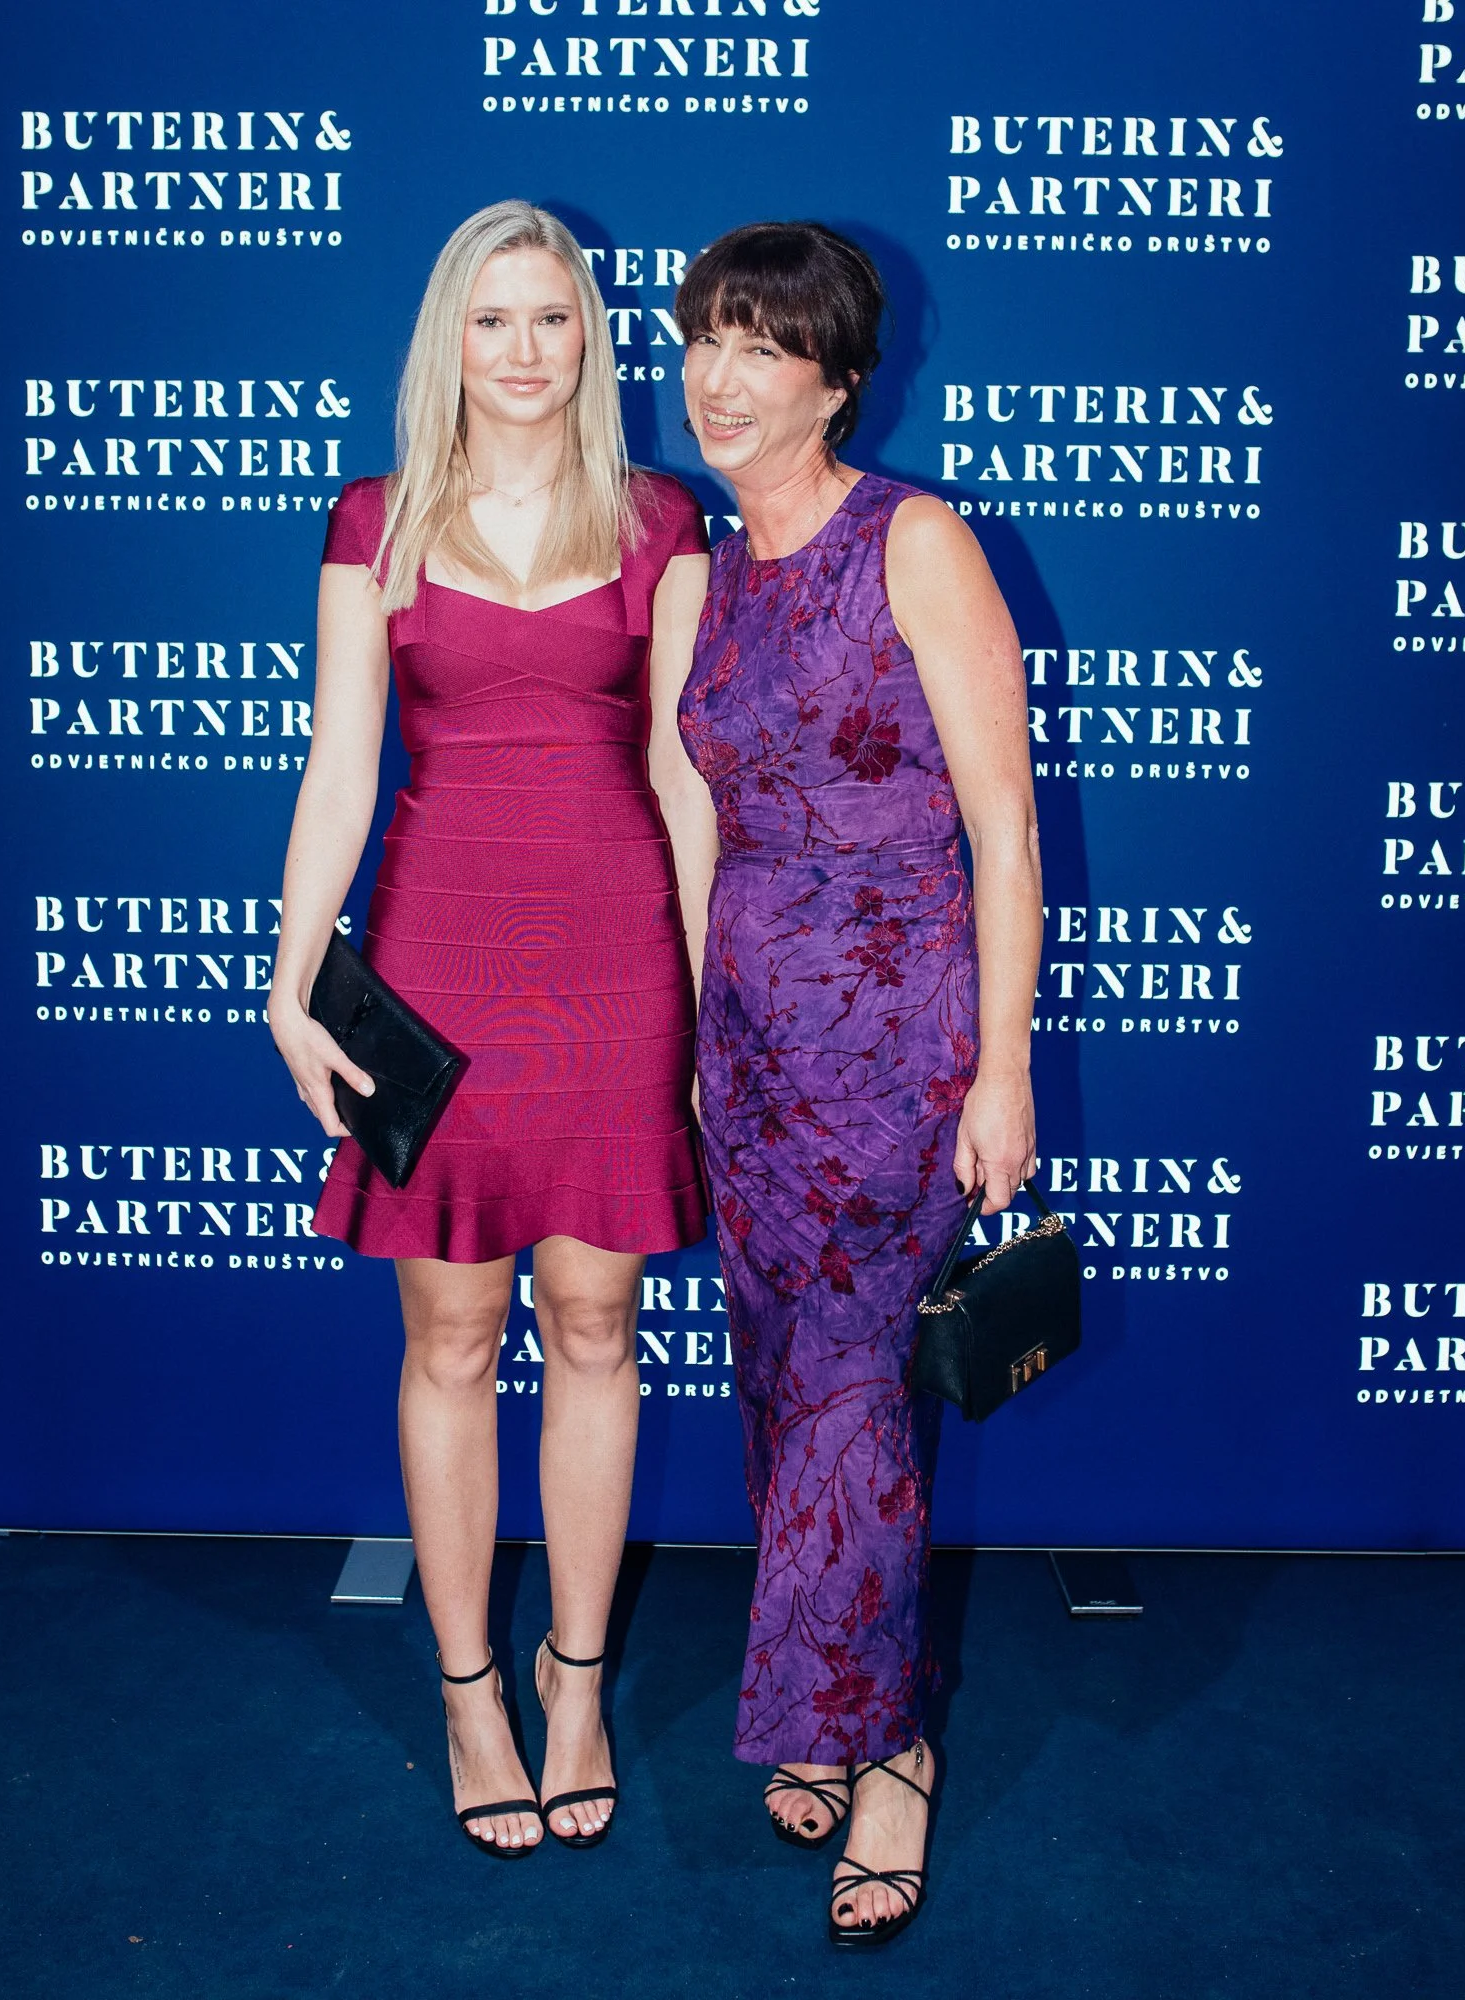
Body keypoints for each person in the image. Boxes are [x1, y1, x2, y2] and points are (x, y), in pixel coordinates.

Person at [268, 200, 711, 1859]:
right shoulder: (376, 519)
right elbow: (339, 768)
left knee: (596, 1327)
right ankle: (469, 1694)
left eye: (555, 320)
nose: (526, 352)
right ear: (445, 337)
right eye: (494, 320)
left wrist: (711, 986)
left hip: (615, 958)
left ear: (592, 340)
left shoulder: (660, 520)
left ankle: (576, 1679)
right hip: (435, 961)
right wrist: (292, 970)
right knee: (450, 1339)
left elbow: (681, 774)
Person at [673, 221, 1042, 1945]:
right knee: (783, 1379)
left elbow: (1004, 828)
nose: (723, 379)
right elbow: (699, 828)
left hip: (895, 1048)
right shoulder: (702, 572)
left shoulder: (918, 543)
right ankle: (827, 1691)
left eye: (765, 349)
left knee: (847, 1396)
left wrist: (1005, 1071)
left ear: (835, 379)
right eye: (706, 341)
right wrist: (688, 1035)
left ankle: (885, 1749)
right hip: (746, 1048)